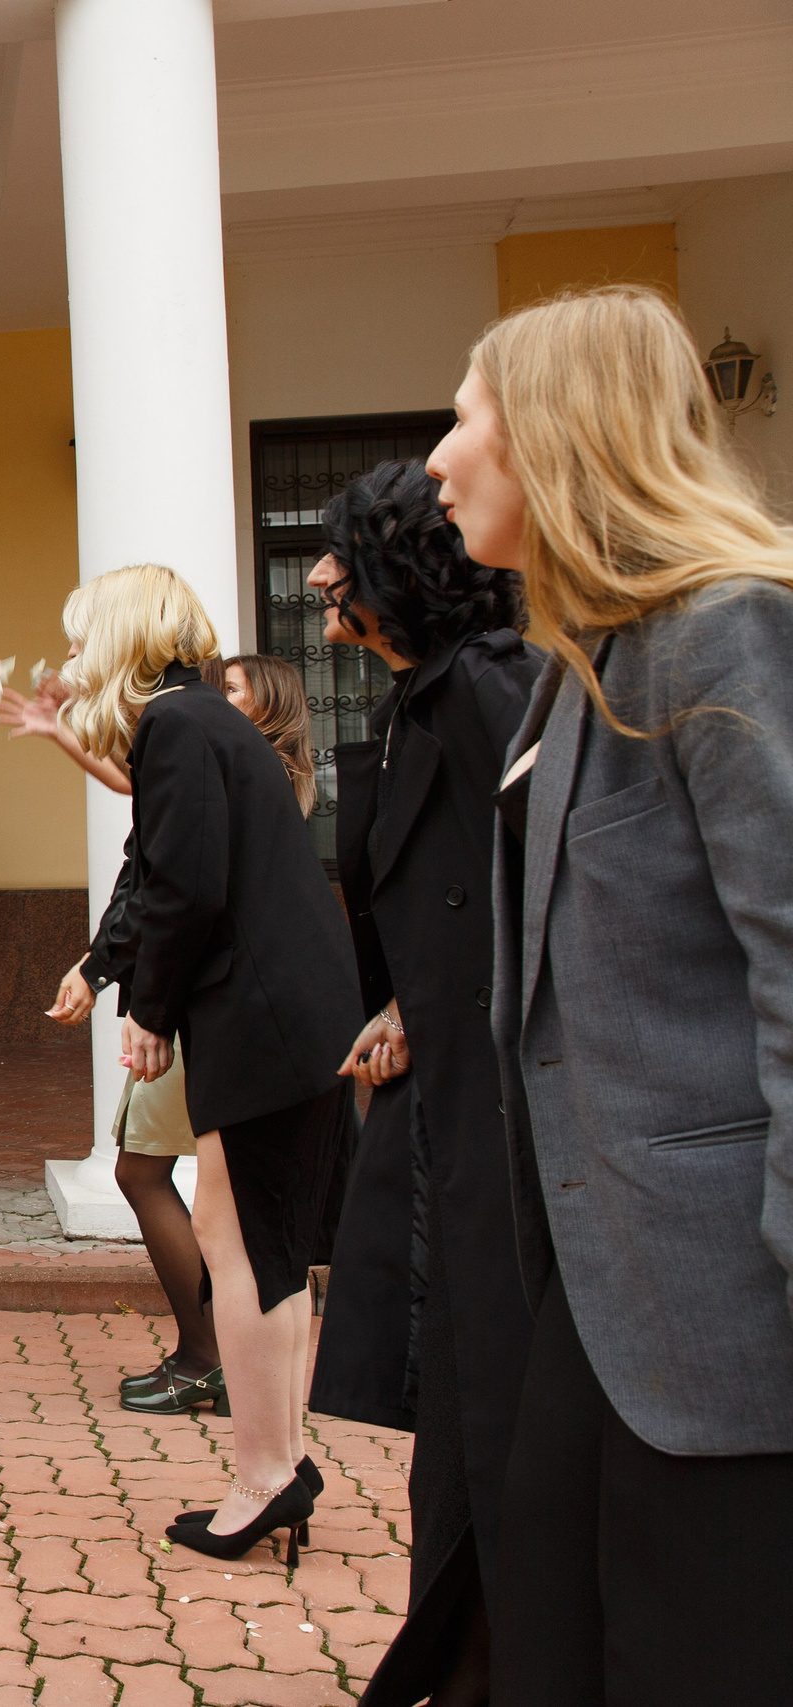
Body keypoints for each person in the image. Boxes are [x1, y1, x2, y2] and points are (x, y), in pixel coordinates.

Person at [434, 285, 793, 1701]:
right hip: (601, 1294)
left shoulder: (728, 630)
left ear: (555, 437)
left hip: (726, 1321)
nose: (442, 460)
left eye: (465, 420)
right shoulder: (576, 669)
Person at [280, 462, 538, 1707]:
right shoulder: (419, 701)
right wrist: (401, 1007)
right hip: (447, 1103)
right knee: (457, 1427)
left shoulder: (489, 694)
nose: (321, 586)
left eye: (342, 564)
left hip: (500, 1136)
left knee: (488, 1426)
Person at [58, 563, 359, 1569]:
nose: (68, 659)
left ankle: (263, 1476)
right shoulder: (197, 722)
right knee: (250, 1249)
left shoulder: (180, 726)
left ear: (122, 638)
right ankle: (270, 1469)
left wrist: (145, 1009)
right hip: (278, 1014)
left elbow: (183, 886)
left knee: (247, 1254)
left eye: (76, 640)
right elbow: (171, 874)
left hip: (263, 1018)